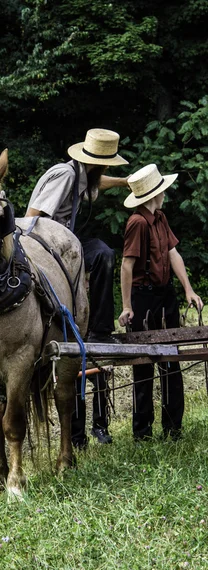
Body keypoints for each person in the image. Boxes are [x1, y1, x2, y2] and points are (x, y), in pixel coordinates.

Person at [25, 128, 129, 447]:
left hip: (63, 245)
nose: (109, 171)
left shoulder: (84, 178)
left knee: (99, 250)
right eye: (109, 166)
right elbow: (32, 217)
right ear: (98, 163)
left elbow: (98, 185)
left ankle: (95, 324)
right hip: (45, 245)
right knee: (102, 253)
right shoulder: (64, 177)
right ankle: (98, 329)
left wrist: (126, 182)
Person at [118, 163, 203, 441]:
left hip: (165, 296)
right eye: (162, 190)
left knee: (171, 360)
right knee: (143, 364)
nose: (165, 193)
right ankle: (142, 433)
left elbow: (173, 253)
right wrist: (127, 305)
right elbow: (127, 266)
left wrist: (188, 290)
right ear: (154, 193)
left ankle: (173, 428)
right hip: (143, 298)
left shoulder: (160, 218)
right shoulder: (138, 222)